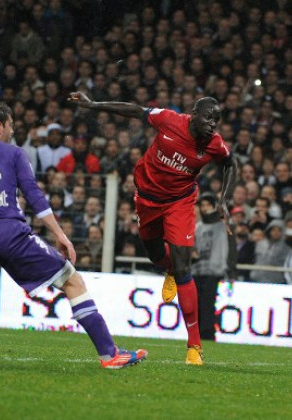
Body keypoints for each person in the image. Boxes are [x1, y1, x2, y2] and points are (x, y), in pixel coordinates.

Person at [68, 91, 238, 366]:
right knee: (156, 256)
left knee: (185, 267)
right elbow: (135, 109)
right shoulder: (169, 120)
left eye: (216, 120)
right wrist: (94, 104)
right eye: (208, 117)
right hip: (147, 200)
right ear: (193, 115)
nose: (212, 124)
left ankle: (195, 346)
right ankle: (168, 268)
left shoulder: (215, 144)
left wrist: (224, 200)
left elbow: (231, 163)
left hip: (180, 203)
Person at [0, 101, 146, 368]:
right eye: (10, 126)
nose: (11, 131)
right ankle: (110, 355)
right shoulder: (13, 153)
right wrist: (60, 235)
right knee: (72, 280)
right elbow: (34, 196)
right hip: (9, 233)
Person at [191, 193, 236, 341]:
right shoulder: (198, 226)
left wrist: (230, 270)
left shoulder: (222, 224)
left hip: (214, 269)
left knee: (208, 303)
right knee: (197, 303)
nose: (204, 209)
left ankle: (208, 333)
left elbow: (231, 247)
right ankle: (199, 332)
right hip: (198, 269)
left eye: (207, 205)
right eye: (202, 206)